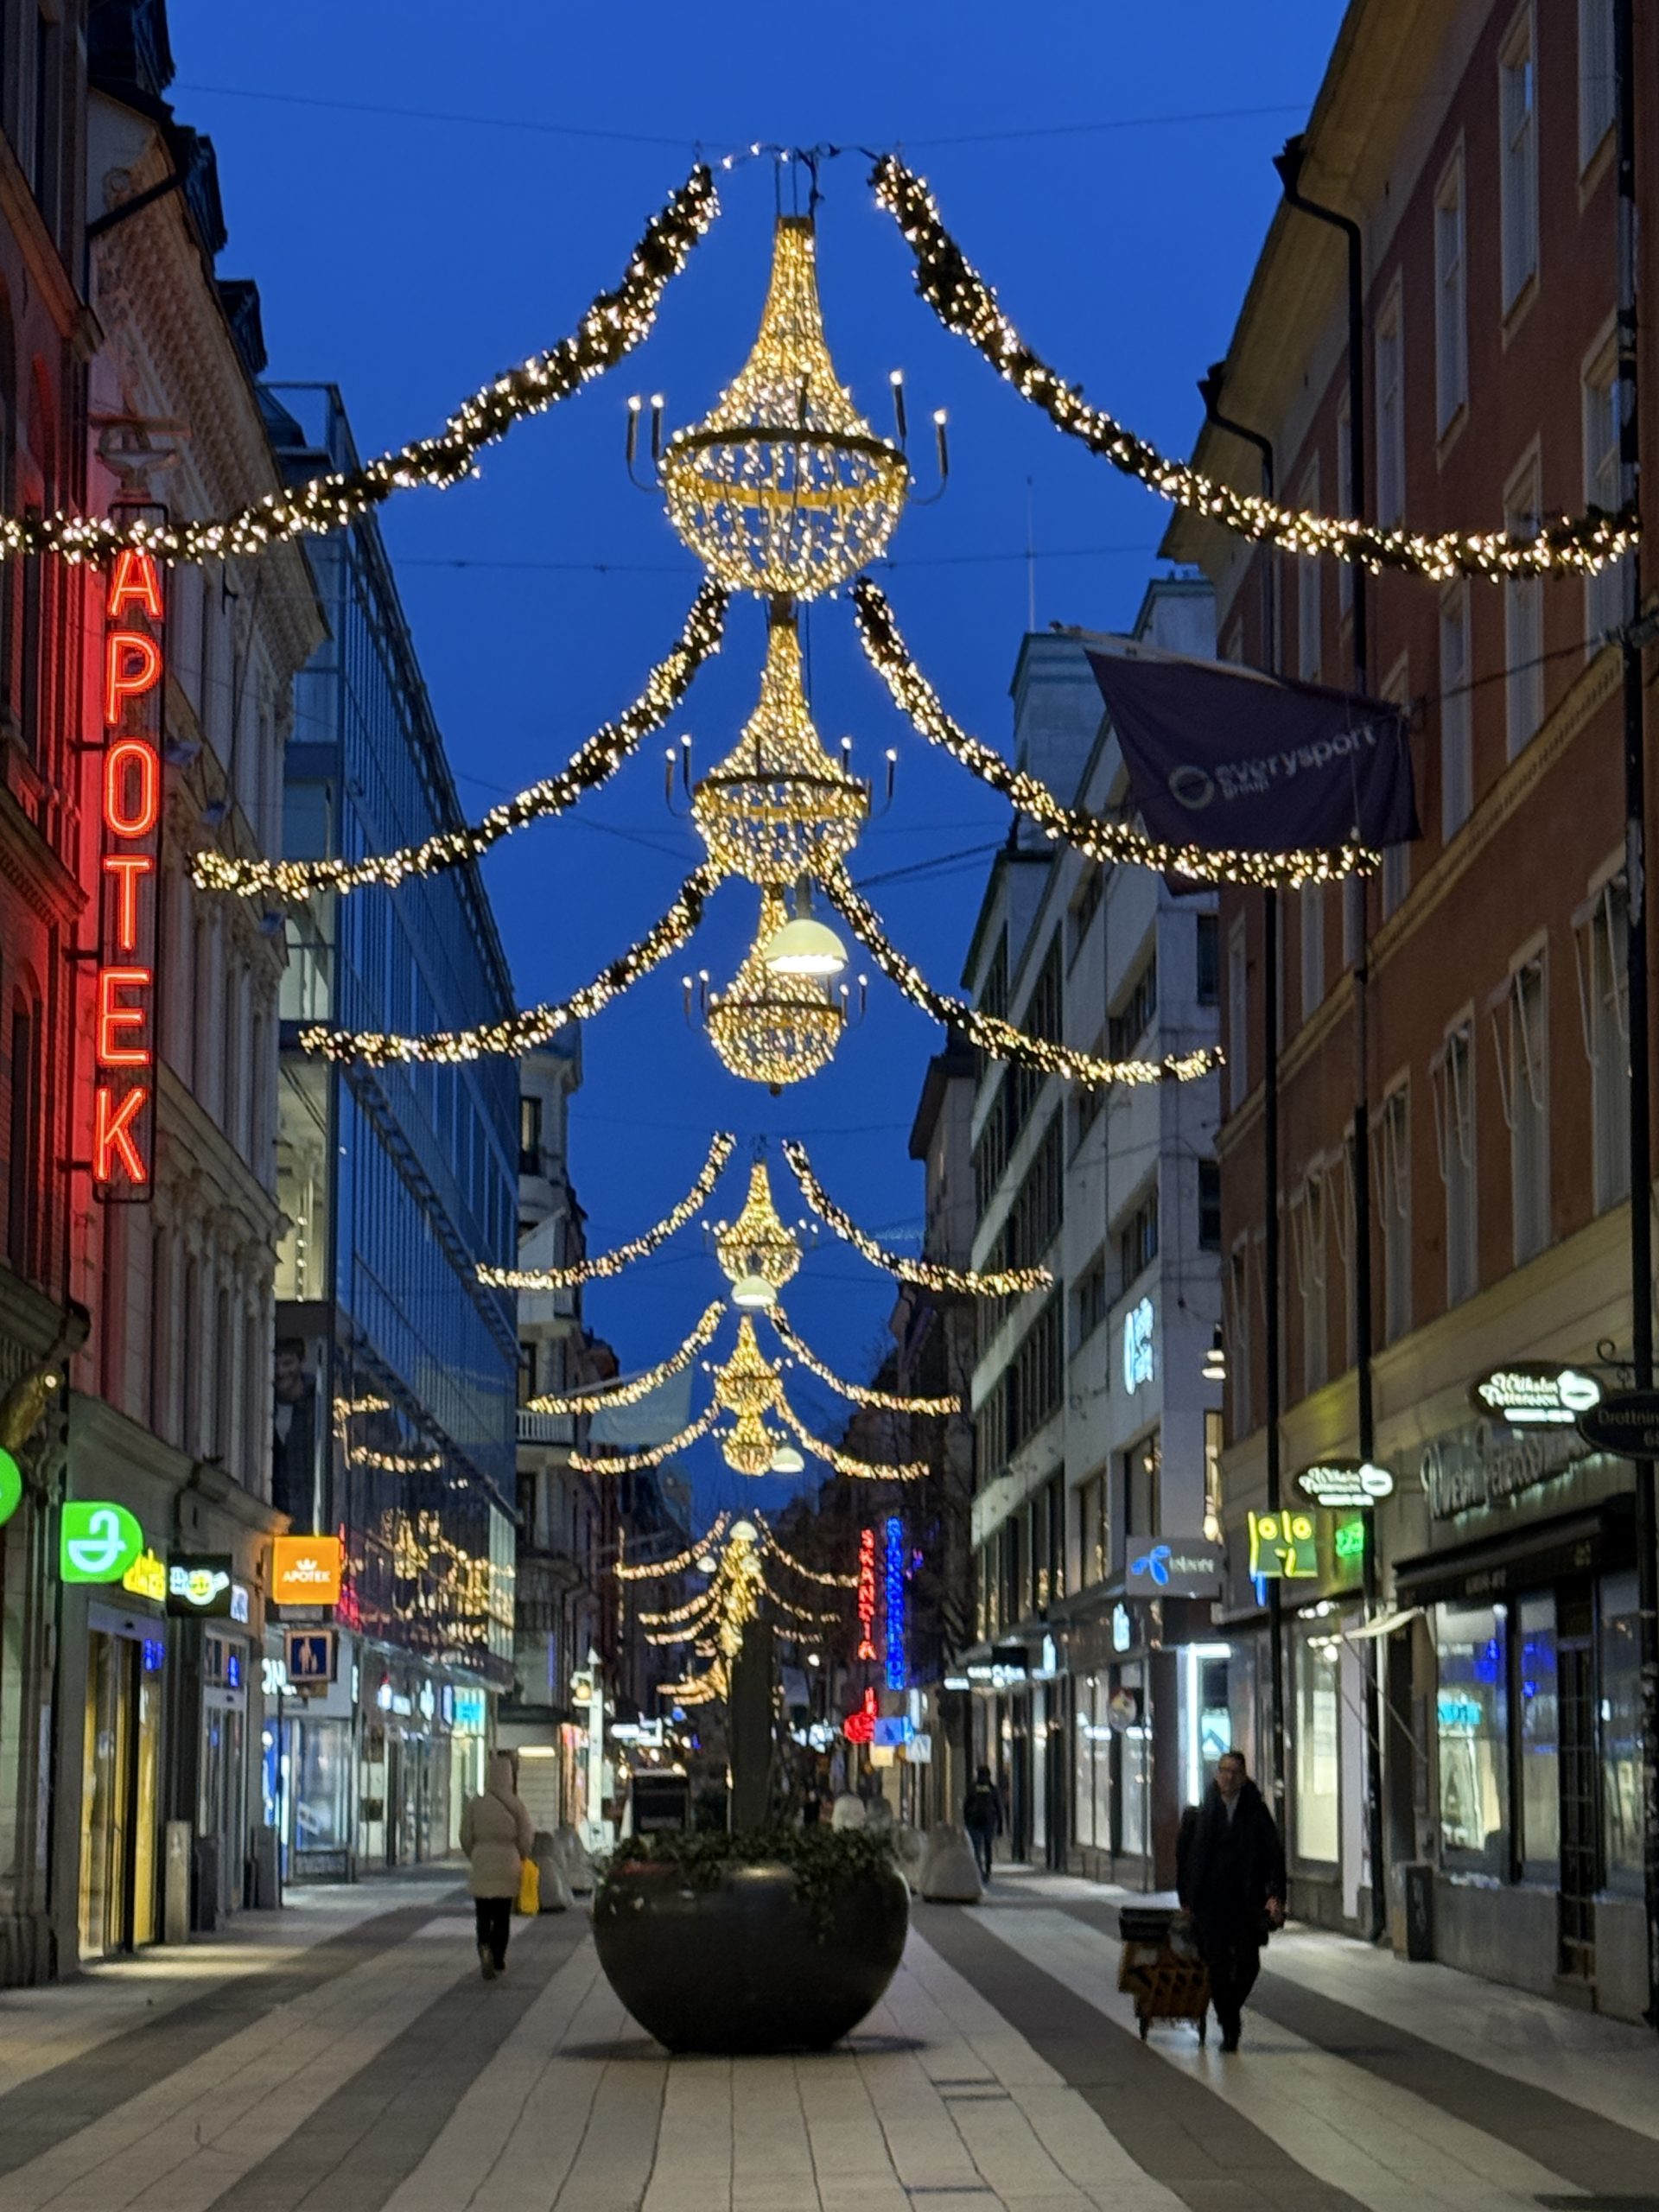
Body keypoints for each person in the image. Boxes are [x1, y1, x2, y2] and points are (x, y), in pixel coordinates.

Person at [1177, 1748, 1287, 2052]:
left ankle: (1229, 2011)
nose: (1229, 1777)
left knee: (1249, 1964)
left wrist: (1275, 1896)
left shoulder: (1255, 1812)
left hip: (1246, 1902)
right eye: (1224, 1771)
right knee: (1217, 1965)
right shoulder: (1201, 1812)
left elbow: (1273, 1856)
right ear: (1217, 1775)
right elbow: (1185, 1859)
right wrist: (1186, 1899)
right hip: (1210, 1904)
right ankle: (1230, 2028)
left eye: (1235, 1772)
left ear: (1243, 1776)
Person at [460, 1751, 534, 1980]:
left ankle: (483, 1947)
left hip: (482, 1860)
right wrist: (519, 1855)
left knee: (483, 1914)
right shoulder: (517, 1806)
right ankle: (499, 1957)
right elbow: (526, 1838)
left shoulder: (476, 1805)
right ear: (509, 1778)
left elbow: (465, 1836)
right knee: (502, 1915)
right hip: (507, 1863)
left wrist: (476, 1854)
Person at [963, 1764, 1002, 1882]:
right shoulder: (992, 1788)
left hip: (974, 1822)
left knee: (976, 1847)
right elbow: (999, 1807)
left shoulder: (973, 1788)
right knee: (988, 1846)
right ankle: (988, 1870)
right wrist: (1000, 1825)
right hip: (989, 1822)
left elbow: (966, 1805)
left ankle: (979, 1870)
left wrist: (966, 1820)